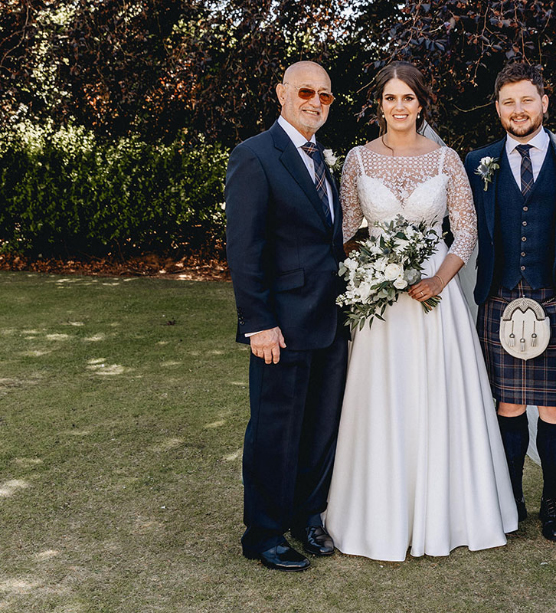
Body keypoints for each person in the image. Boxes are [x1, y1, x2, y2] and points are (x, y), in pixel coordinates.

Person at [324, 62, 517, 562]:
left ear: (421, 104)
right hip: (382, 303)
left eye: (407, 98)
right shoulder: (357, 161)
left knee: (437, 395)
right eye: (390, 99)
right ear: (379, 106)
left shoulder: (446, 159)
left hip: (435, 297)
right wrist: (375, 269)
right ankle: (376, 514)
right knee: (383, 398)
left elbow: (466, 230)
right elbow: (347, 231)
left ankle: (447, 513)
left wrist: (438, 278)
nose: (399, 107)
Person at [225, 61, 348, 571]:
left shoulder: (323, 161)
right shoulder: (254, 155)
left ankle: (307, 517)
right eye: (305, 91)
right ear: (281, 93)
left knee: (320, 427)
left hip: (331, 321)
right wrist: (258, 322)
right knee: (276, 430)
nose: (315, 101)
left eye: (325, 95)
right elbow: (244, 247)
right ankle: (265, 533)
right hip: (281, 325)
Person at [464, 63, 556, 542]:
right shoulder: (478, 162)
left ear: (544, 103)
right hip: (499, 296)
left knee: (554, 409)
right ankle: (510, 497)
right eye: (508, 101)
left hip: (554, 297)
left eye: (526, 100)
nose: (518, 110)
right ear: (497, 108)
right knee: (509, 405)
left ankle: (551, 501)